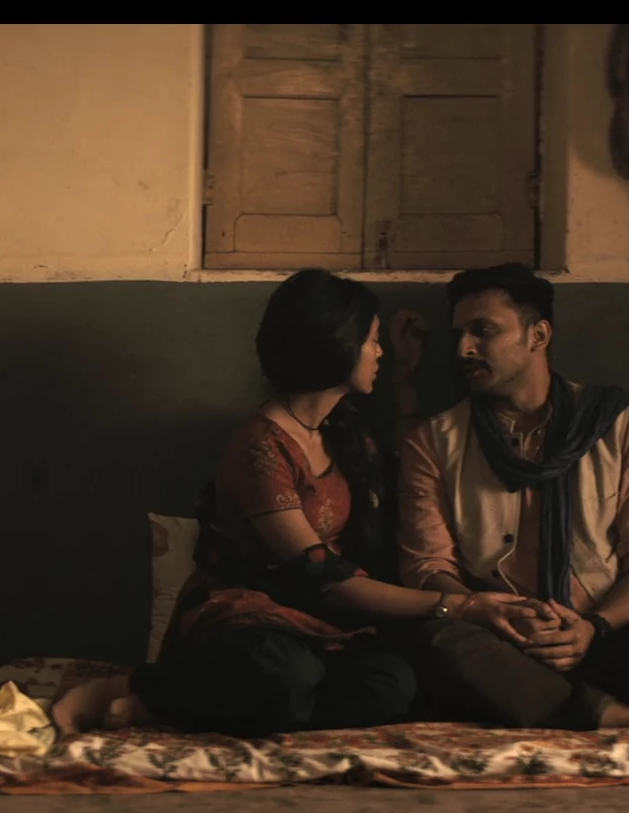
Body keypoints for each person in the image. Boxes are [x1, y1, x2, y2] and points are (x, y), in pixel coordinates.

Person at [52, 269, 541, 738]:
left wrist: (406, 379)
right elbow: (323, 576)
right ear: (337, 345)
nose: (380, 351)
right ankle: (139, 688)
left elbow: (398, 473)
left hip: (321, 626)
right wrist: (460, 606)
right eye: (373, 340)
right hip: (250, 619)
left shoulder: (341, 431)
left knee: (392, 684)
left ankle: (185, 708)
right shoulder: (261, 447)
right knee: (283, 673)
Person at [395, 263, 629, 731]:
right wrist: (498, 615)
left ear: (538, 335)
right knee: (437, 642)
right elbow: (427, 567)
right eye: (459, 334)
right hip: (504, 639)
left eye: (483, 331)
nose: (464, 349)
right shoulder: (434, 440)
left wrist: (593, 627)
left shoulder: (622, 423)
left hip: (609, 637)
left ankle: (542, 700)